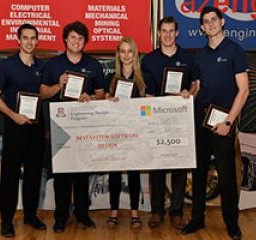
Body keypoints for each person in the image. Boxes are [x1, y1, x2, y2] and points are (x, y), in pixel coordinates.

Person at [181, 6, 249, 240]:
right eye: (206, 22)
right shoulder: (198, 56)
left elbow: (244, 90)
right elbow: (196, 88)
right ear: (201, 28)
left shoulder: (234, 51)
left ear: (222, 22)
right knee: (199, 172)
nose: (210, 24)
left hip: (223, 120)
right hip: (201, 119)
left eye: (214, 20)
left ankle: (231, 223)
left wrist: (229, 122)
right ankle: (197, 219)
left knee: (227, 174)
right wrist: (187, 94)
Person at [40, 21, 104, 233]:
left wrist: (90, 96)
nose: (76, 41)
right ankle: (61, 216)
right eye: (73, 37)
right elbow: (42, 93)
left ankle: (82, 213)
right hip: (61, 125)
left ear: (85, 42)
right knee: (62, 175)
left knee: (82, 173)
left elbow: (102, 95)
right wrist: (59, 85)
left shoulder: (94, 65)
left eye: (81, 38)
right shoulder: (54, 65)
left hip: (85, 125)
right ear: (66, 39)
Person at [0, 24, 46, 238]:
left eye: (33, 38)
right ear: (18, 40)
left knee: (33, 173)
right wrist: (13, 115)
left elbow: (44, 92)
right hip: (14, 126)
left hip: (35, 126)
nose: (29, 42)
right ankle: (6, 221)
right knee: (10, 175)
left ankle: (30, 216)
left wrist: (59, 85)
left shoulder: (41, 66)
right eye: (25, 38)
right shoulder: (7, 66)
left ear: (37, 41)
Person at [141, 16, 195, 229]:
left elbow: (195, 86)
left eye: (171, 31)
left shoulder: (189, 58)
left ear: (177, 33)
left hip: (180, 120)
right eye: (164, 31)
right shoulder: (149, 59)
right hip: (156, 119)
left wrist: (187, 94)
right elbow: (146, 93)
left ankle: (176, 211)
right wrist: (159, 102)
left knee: (179, 166)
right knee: (157, 165)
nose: (167, 35)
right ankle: (156, 210)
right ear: (158, 33)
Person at [104, 37, 151, 229]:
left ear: (135, 54)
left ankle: (134, 212)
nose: (126, 55)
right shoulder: (110, 79)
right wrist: (109, 99)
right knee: (114, 173)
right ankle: (113, 210)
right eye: (122, 52)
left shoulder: (144, 77)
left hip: (136, 132)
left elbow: (151, 103)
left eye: (129, 51)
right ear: (118, 55)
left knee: (133, 172)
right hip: (115, 132)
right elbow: (104, 104)